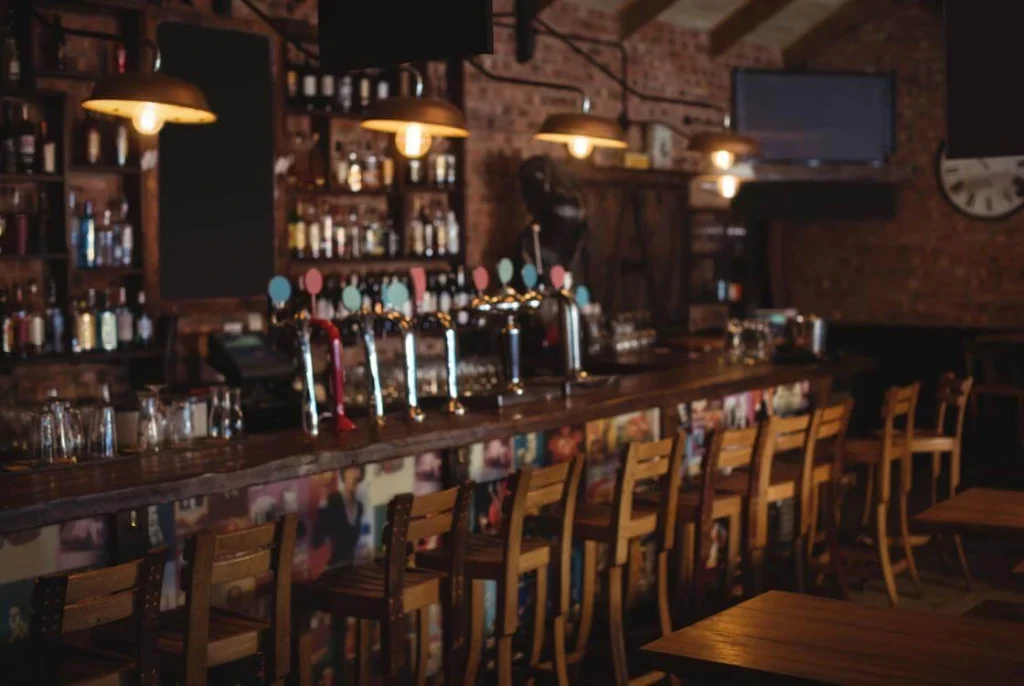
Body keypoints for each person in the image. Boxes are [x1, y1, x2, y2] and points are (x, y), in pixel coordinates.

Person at [312, 465, 365, 566]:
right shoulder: (334, 500)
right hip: (334, 567)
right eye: (349, 475)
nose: (353, 478)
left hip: (351, 565)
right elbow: (318, 537)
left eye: (356, 476)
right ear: (344, 476)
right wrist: (322, 505)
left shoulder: (360, 506)